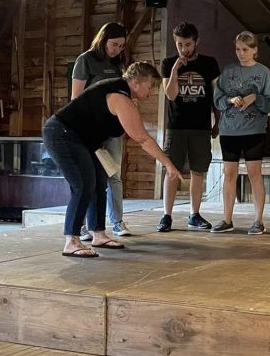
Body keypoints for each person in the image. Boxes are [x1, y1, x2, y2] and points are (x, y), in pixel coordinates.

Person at [43, 62, 181, 258]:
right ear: (135, 82)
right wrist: (168, 164)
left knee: (99, 182)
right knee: (83, 184)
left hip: (83, 139)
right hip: (62, 133)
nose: (151, 93)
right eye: (150, 87)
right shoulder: (119, 97)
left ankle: (98, 233)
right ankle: (71, 240)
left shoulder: (123, 95)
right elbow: (141, 138)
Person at [212, 31, 270, 234]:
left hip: (254, 130)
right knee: (229, 173)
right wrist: (231, 100)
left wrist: (254, 98)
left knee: (253, 173)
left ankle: (258, 220)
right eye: (238, 49)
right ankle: (226, 218)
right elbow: (217, 99)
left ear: (255, 50)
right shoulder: (229, 71)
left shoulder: (263, 72)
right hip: (229, 130)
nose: (241, 53)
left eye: (246, 49)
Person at [158, 22, 221, 232]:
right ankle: (166, 216)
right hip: (176, 126)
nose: (183, 49)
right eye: (179, 44)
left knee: (198, 170)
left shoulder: (209, 63)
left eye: (187, 44)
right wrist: (176, 69)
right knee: (172, 170)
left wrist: (217, 121)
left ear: (196, 42)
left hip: (201, 126)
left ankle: (194, 214)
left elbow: (215, 95)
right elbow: (171, 95)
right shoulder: (168, 63)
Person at [71, 22, 131, 240]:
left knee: (113, 174)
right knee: (90, 177)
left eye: (121, 46)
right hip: (90, 128)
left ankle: (117, 221)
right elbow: (76, 98)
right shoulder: (85, 60)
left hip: (113, 127)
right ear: (103, 40)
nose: (116, 49)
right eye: (114, 44)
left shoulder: (118, 63)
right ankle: (86, 226)